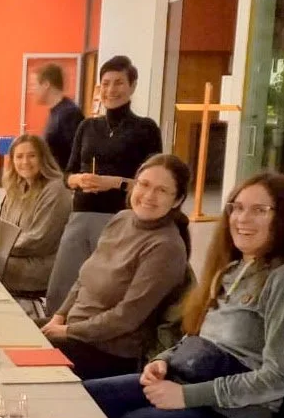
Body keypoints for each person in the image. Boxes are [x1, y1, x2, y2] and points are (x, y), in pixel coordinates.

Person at [85, 172, 284, 418]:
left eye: (259, 210)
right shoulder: (232, 269)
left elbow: (279, 378)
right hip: (190, 381)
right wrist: (163, 360)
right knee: (84, 400)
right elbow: (198, 339)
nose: (242, 218)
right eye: (236, 207)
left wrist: (187, 397)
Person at [41, 154, 191, 379]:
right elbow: (84, 278)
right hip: (74, 328)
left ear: (177, 200)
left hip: (110, 351)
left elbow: (126, 318)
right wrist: (59, 316)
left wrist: (67, 331)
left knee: (15, 357)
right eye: (144, 184)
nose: (149, 195)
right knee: (6, 331)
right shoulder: (121, 218)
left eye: (162, 190)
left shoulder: (166, 247)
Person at [45, 55, 162, 315]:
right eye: (105, 83)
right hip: (80, 214)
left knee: (102, 289)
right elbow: (67, 175)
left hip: (119, 217)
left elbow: (152, 183)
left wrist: (114, 183)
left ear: (132, 86)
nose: (111, 90)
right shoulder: (87, 126)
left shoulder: (146, 129)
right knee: (60, 287)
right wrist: (79, 180)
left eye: (119, 83)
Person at [0, 135, 71, 293]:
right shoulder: (15, 187)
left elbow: (39, 240)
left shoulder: (56, 189)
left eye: (32, 156)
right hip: (11, 256)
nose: (25, 162)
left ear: (43, 158)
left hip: (39, 265)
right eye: (19, 156)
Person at [35, 63, 83, 171]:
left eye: (35, 85)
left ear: (46, 84)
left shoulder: (69, 113)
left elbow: (77, 155)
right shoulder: (56, 112)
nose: (33, 90)